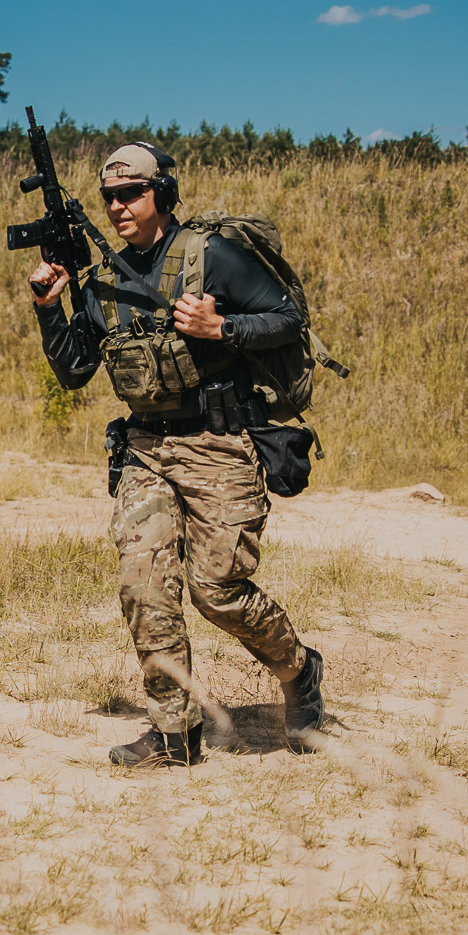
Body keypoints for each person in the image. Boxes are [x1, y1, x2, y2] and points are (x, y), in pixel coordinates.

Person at [29, 143, 326, 765]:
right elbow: (75, 369)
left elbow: (288, 317)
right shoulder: (103, 278)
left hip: (218, 443)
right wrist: (49, 308)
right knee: (144, 586)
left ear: (160, 193)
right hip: (146, 448)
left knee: (216, 590)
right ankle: (174, 734)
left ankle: (299, 669)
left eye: (130, 193)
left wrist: (223, 329)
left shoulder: (209, 254)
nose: (117, 207)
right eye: (109, 197)